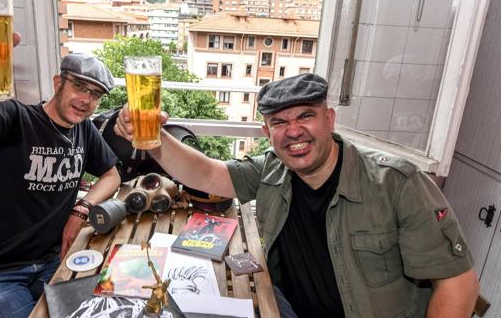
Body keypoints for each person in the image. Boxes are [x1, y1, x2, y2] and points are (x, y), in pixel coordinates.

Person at [114, 73, 480, 318]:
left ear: (330, 120)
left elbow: (457, 282)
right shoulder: (273, 168)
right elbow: (210, 174)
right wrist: (154, 142)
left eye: (306, 116)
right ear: (266, 131)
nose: (294, 132)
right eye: (279, 122)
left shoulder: (396, 183)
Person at [0, 14, 121, 318]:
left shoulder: (84, 130)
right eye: (79, 86)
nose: (86, 100)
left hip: (49, 262)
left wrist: (81, 209)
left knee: (110, 305)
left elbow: (112, 175)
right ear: (58, 83)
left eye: (95, 94)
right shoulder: (16, 118)